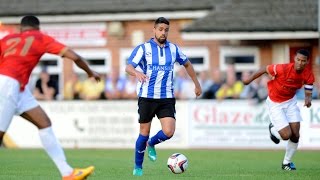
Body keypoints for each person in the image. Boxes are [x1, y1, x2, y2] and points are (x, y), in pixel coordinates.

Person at [0, 15, 100, 179]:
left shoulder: (8, 39)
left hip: (17, 87)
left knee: (44, 123)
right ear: (37, 28)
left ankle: (67, 173)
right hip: (9, 85)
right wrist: (90, 72)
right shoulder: (41, 38)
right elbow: (74, 57)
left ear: (21, 28)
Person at [125, 17, 202, 176]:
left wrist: (196, 83)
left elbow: (187, 64)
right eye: (160, 29)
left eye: (166, 30)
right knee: (143, 132)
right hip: (147, 97)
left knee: (169, 132)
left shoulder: (173, 49)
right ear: (154, 30)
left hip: (166, 97)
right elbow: (128, 66)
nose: (163, 32)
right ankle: (138, 167)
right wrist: (136, 72)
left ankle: (151, 144)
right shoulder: (143, 48)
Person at [242, 49, 315, 171]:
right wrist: (248, 80)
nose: (300, 63)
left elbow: (309, 87)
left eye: (303, 61)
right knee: (286, 135)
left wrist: (308, 98)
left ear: (307, 62)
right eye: (298, 60)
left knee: (296, 135)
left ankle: (286, 163)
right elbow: (264, 68)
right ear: (294, 59)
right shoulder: (283, 69)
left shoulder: (308, 74)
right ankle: (272, 129)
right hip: (275, 102)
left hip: (290, 102)